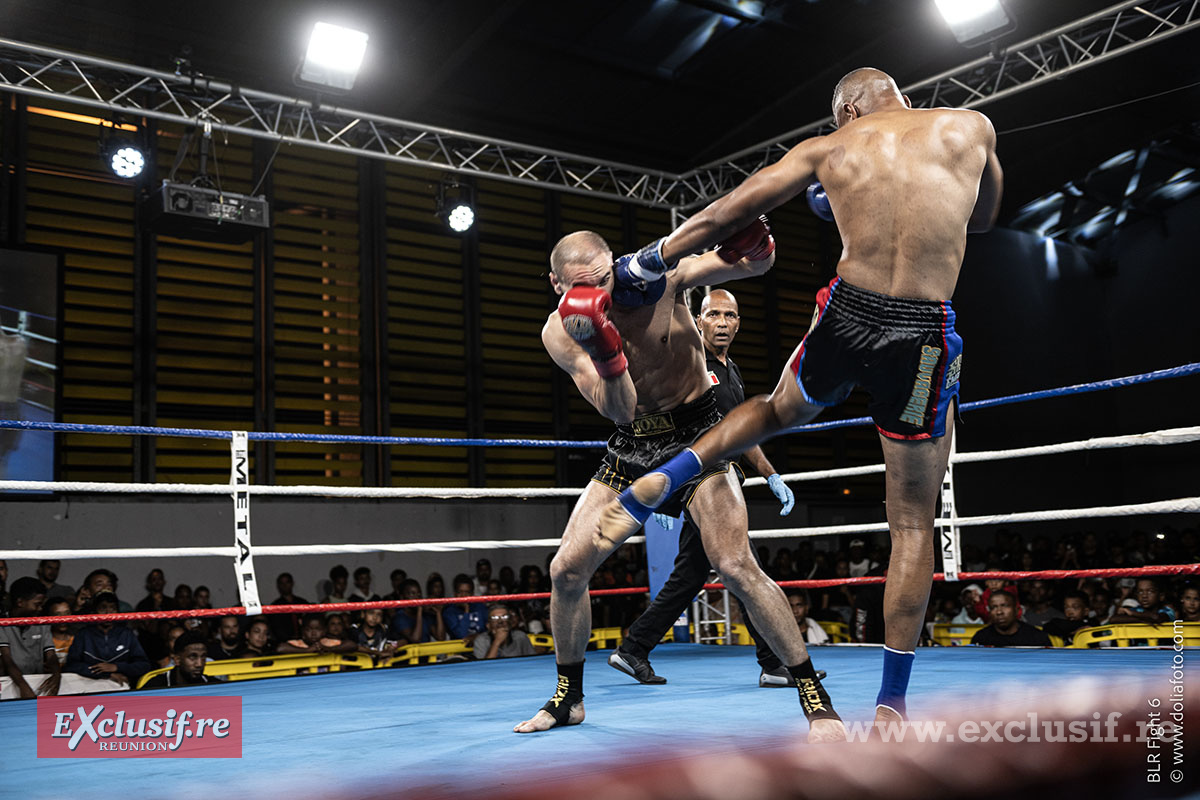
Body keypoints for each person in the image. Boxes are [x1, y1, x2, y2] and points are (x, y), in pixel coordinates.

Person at [599, 67, 1001, 726]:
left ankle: (670, 473)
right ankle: (892, 706)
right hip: (922, 336)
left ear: (846, 110)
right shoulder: (971, 126)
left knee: (781, 408)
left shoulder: (827, 149)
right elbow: (984, 216)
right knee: (909, 526)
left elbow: (726, 213)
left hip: (850, 314)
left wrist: (646, 260)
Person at [513, 226, 843, 742]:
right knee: (566, 570)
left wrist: (756, 251)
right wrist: (605, 346)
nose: (600, 293)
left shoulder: (659, 278)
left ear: (615, 265)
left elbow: (743, 267)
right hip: (632, 446)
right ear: (556, 284)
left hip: (700, 436)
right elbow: (619, 408)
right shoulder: (559, 333)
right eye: (582, 286)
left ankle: (813, 696)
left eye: (604, 280)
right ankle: (568, 699)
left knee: (735, 565)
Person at [608, 288, 799, 688]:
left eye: (730, 315)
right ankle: (774, 663)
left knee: (697, 574)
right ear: (699, 320)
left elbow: (742, 432)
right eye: (714, 315)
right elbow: (660, 422)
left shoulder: (732, 370)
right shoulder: (687, 363)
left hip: (721, 484)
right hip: (696, 482)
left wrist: (770, 474)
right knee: (739, 565)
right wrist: (660, 491)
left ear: (739, 322)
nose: (723, 323)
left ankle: (633, 649)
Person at [65, 592, 153, 686]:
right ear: (94, 612)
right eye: (103, 608)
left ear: (118, 612)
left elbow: (144, 665)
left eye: (113, 609)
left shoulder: (126, 634)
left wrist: (116, 667)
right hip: (88, 683)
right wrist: (107, 674)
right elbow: (71, 666)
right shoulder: (84, 634)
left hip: (120, 685)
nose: (108, 613)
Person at [0, 577, 61, 699]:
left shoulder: (41, 623)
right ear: (20, 602)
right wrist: (23, 686)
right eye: (37, 604)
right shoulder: (2, 624)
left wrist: (57, 675)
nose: (40, 609)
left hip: (37, 681)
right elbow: (7, 659)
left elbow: (51, 655)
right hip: (11, 684)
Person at [970, 591, 1051, 647]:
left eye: (1004, 606)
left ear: (1016, 610)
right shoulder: (981, 638)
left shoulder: (1037, 637)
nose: (999, 612)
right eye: (993, 607)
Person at [142, 631, 211, 688]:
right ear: (177, 660)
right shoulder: (155, 687)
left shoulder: (212, 684)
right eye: (192, 657)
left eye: (203, 657)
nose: (199, 664)